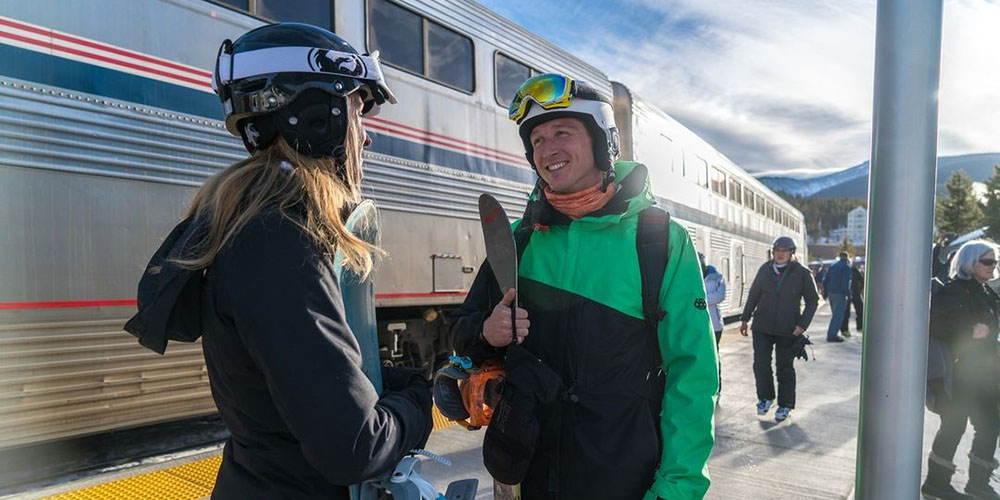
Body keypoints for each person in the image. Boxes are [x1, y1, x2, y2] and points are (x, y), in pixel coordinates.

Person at [125, 23, 432, 499]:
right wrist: (419, 400)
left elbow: (291, 384)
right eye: (357, 112)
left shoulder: (250, 226)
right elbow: (354, 447)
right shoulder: (280, 240)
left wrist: (386, 381)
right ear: (316, 119)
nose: (366, 139)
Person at [452, 73, 718, 500]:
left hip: (625, 480)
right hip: (531, 474)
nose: (547, 149)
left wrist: (677, 489)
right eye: (536, 140)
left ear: (601, 141)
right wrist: (487, 331)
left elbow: (693, 376)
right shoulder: (520, 239)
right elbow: (461, 332)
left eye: (562, 132)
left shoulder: (658, 240)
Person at [922, 240, 1000, 500]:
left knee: (989, 425)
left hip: (985, 374)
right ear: (970, 261)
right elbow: (932, 325)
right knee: (955, 425)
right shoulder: (954, 291)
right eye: (987, 261)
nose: (993, 266)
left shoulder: (986, 292)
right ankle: (936, 483)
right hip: (959, 373)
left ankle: (978, 484)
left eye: (995, 261)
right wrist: (969, 331)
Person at [739, 236, 819, 422]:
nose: (780, 254)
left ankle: (785, 405)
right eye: (777, 250)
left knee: (784, 367)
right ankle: (765, 398)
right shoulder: (765, 270)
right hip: (762, 326)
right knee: (760, 364)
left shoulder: (801, 273)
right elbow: (754, 294)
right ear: (773, 252)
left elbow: (812, 300)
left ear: (792, 253)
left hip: (788, 328)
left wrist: (802, 325)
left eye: (785, 251)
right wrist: (745, 318)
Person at [701, 253, 727, 394]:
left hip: (714, 325)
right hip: (698, 324)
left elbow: (720, 296)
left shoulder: (717, 278)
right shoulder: (691, 276)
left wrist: (700, 299)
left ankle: (717, 388)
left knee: (714, 356)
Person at [822, 252, 852, 342]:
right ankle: (832, 335)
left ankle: (833, 333)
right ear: (847, 258)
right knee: (838, 315)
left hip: (831, 293)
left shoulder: (832, 266)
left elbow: (825, 280)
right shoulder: (846, 267)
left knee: (835, 314)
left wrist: (825, 293)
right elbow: (845, 282)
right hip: (840, 293)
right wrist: (848, 293)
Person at [841, 262, 864, 333]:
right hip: (855, 292)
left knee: (846, 312)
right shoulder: (854, 270)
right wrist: (859, 289)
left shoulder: (843, 270)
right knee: (859, 310)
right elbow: (862, 281)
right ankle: (859, 327)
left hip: (848, 293)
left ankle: (845, 329)